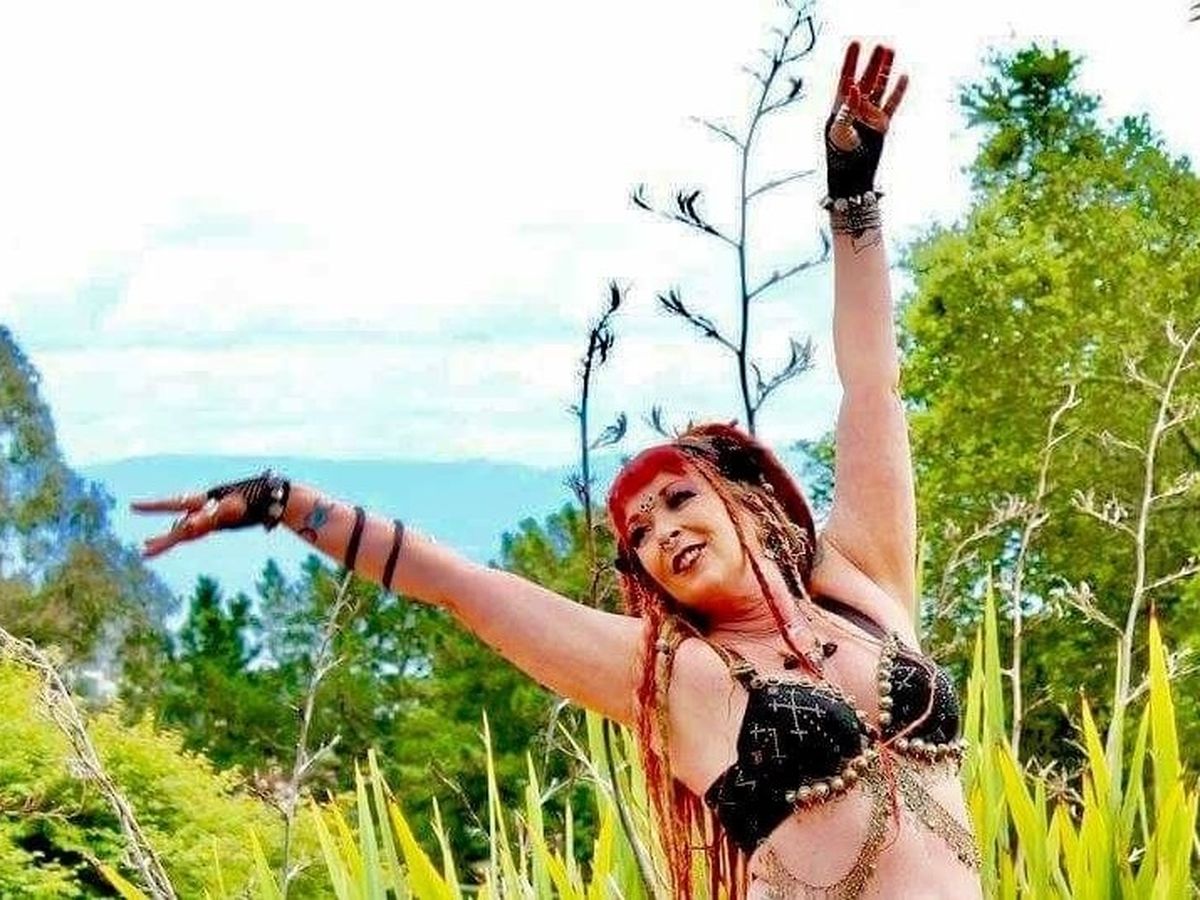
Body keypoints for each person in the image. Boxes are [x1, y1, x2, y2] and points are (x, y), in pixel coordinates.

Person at [134, 43, 981, 900]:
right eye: (640, 533)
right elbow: (461, 586)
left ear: (749, 506)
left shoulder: (864, 586)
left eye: (678, 499)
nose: (663, 532)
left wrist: (851, 192)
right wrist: (284, 503)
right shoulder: (678, 677)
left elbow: (870, 384)